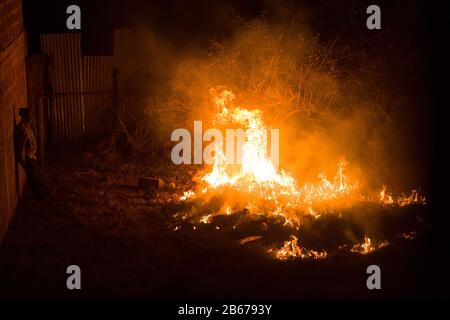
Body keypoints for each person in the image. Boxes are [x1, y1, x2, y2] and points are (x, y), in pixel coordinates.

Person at [14, 107, 46, 200]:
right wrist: (25, 165)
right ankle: (40, 199)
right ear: (24, 116)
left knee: (37, 177)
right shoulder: (21, 129)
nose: (31, 117)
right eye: (29, 115)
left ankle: (42, 196)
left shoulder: (29, 126)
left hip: (32, 156)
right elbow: (20, 150)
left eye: (31, 115)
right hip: (28, 158)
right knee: (34, 179)